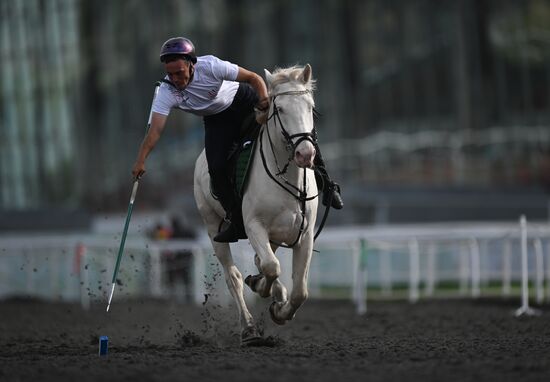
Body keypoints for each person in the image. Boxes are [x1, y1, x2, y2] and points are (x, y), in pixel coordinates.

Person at [132, 37, 343, 243]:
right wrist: (141, 160)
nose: (176, 79)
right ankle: (236, 220)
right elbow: (155, 131)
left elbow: (254, 78)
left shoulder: (212, 66)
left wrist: (262, 100)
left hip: (243, 100)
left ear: (191, 64)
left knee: (296, 131)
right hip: (217, 119)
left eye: (179, 72)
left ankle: (328, 186)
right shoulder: (166, 91)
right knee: (215, 167)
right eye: (170, 74)